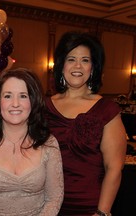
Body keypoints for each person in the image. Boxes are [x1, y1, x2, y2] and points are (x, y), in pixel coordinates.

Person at [45, 31, 127, 216]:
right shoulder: (43, 107)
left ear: (93, 67)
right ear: (61, 64)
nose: (77, 66)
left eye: (85, 60)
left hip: (89, 207)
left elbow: (114, 168)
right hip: (45, 205)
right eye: (71, 59)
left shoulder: (106, 110)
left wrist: (102, 211)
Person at [0, 68, 64, 216]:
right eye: (7, 96)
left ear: (33, 101)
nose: (15, 104)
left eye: (23, 96)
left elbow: (54, 199)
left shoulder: (49, 144)